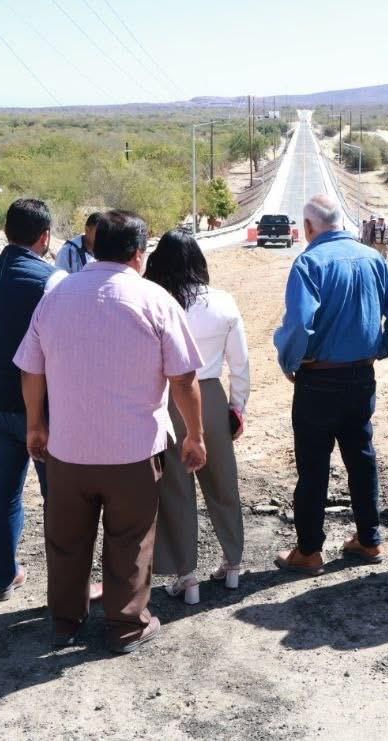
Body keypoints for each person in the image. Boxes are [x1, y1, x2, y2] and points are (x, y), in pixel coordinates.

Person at [14, 210, 206, 653]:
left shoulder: (56, 297)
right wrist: (195, 434)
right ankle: (125, 626)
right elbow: (183, 378)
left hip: (68, 451)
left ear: (93, 247)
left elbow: (31, 369)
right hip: (133, 454)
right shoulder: (155, 300)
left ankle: (65, 620)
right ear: (139, 254)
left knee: (65, 541)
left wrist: (36, 425)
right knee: (131, 542)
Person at [272, 195, 388, 575]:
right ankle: (370, 540)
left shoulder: (309, 262)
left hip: (318, 379)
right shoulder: (373, 258)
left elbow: (300, 323)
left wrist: (289, 362)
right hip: (360, 376)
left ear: (308, 228)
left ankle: (309, 551)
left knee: (313, 465)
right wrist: (383, 345)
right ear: (340, 222)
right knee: (361, 457)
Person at [145, 231, 251, 604]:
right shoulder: (223, 301)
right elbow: (240, 363)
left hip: (169, 397)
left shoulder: (156, 302)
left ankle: (187, 575)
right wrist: (237, 408)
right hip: (210, 394)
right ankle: (233, 563)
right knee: (223, 482)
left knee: (175, 487)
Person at [0, 199, 60, 601]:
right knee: (57, 496)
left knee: (4, 491)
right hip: (40, 407)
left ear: (6, 231)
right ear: (45, 237)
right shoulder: (51, 280)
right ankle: (64, 580)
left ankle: (2, 576)